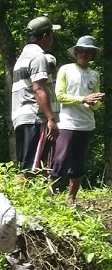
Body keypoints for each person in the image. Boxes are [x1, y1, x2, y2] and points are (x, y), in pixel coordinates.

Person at [50, 36, 105, 206]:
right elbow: (59, 96)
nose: (84, 54)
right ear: (75, 52)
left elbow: (96, 104)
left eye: (88, 51)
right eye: (81, 50)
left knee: (79, 162)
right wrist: (83, 99)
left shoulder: (94, 75)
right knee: (59, 159)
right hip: (67, 122)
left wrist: (95, 103)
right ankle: (49, 196)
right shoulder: (65, 70)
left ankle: (71, 198)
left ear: (92, 54)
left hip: (86, 124)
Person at [11, 16, 60, 175]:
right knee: (32, 168)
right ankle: (19, 197)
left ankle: (34, 198)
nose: (52, 39)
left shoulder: (22, 58)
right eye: (51, 35)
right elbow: (38, 89)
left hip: (22, 117)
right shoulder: (38, 57)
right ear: (45, 36)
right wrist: (51, 119)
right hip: (36, 117)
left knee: (30, 163)